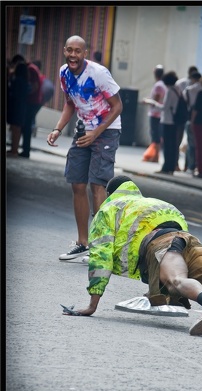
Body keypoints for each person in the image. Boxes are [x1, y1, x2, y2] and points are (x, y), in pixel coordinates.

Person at [62, 175, 202, 338]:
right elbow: (179, 238)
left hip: (161, 242)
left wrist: (93, 304)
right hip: (186, 239)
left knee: (176, 280)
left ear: (110, 194)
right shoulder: (155, 203)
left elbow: (100, 257)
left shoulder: (109, 209)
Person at [46, 35, 123, 260]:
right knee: (77, 184)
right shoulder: (64, 73)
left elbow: (118, 106)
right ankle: (83, 242)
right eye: (69, 50)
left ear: (84, 53)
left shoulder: (98, 73)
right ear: (64, 50)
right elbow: (71, 102)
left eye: (77, 51)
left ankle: (100, 248)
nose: (73, 55)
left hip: (106, 131)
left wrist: (96, 134)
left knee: (97, 186)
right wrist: (57, 129)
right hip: (83, 131)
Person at [143, 71, 179, 175]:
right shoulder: (177, 90)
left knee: (167, 146)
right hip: (175, 120)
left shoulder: (170, 91)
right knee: (173, 145)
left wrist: (153, 103)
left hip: (167, 120)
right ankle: (171, 167)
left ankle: (166, 167)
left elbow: (164, 107)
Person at [141, 64, 166, 163]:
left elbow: (156, 100)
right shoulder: (162, 84)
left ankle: (155, 157)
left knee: (155, 135)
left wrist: (147, 101)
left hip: (155, 114)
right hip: (159, 114)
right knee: (157, 135)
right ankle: (155, 156)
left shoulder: (158, 85)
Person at [6, 58, 29, 157]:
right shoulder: (25, 81)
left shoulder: (18, 80)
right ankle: (14, 149)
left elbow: (13, 93)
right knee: (17, 129)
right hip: (22, 106)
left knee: (15, 128)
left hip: (16, 107)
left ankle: (14, 149)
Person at [182, 71, 202, 175]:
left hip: (191, 118)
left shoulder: (188, 90)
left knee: (191, 144)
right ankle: (199, 166)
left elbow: (186, 103)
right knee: (201, 144)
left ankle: (190, 166)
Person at [31, 60, 55, 137]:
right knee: (32, 114)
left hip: (36, 99)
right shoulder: (43, 78)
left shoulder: (36, 77)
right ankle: (32, 128)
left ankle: (32, 128)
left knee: (31, 114)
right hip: (41, 100)